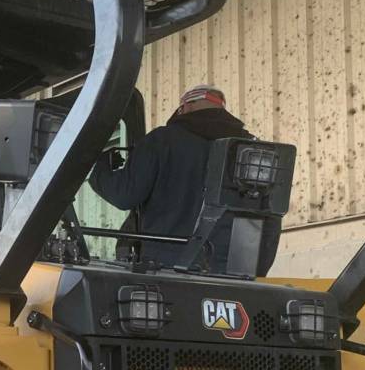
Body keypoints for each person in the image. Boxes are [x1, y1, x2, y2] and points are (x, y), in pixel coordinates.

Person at [89, 83, 275, 272]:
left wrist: (100, 168)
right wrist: (256, 272)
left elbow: (124, 194)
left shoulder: (162, 141)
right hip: (234, 274)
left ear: (187, 107)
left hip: (167, 269)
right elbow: (271, 218)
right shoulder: (253, 152)